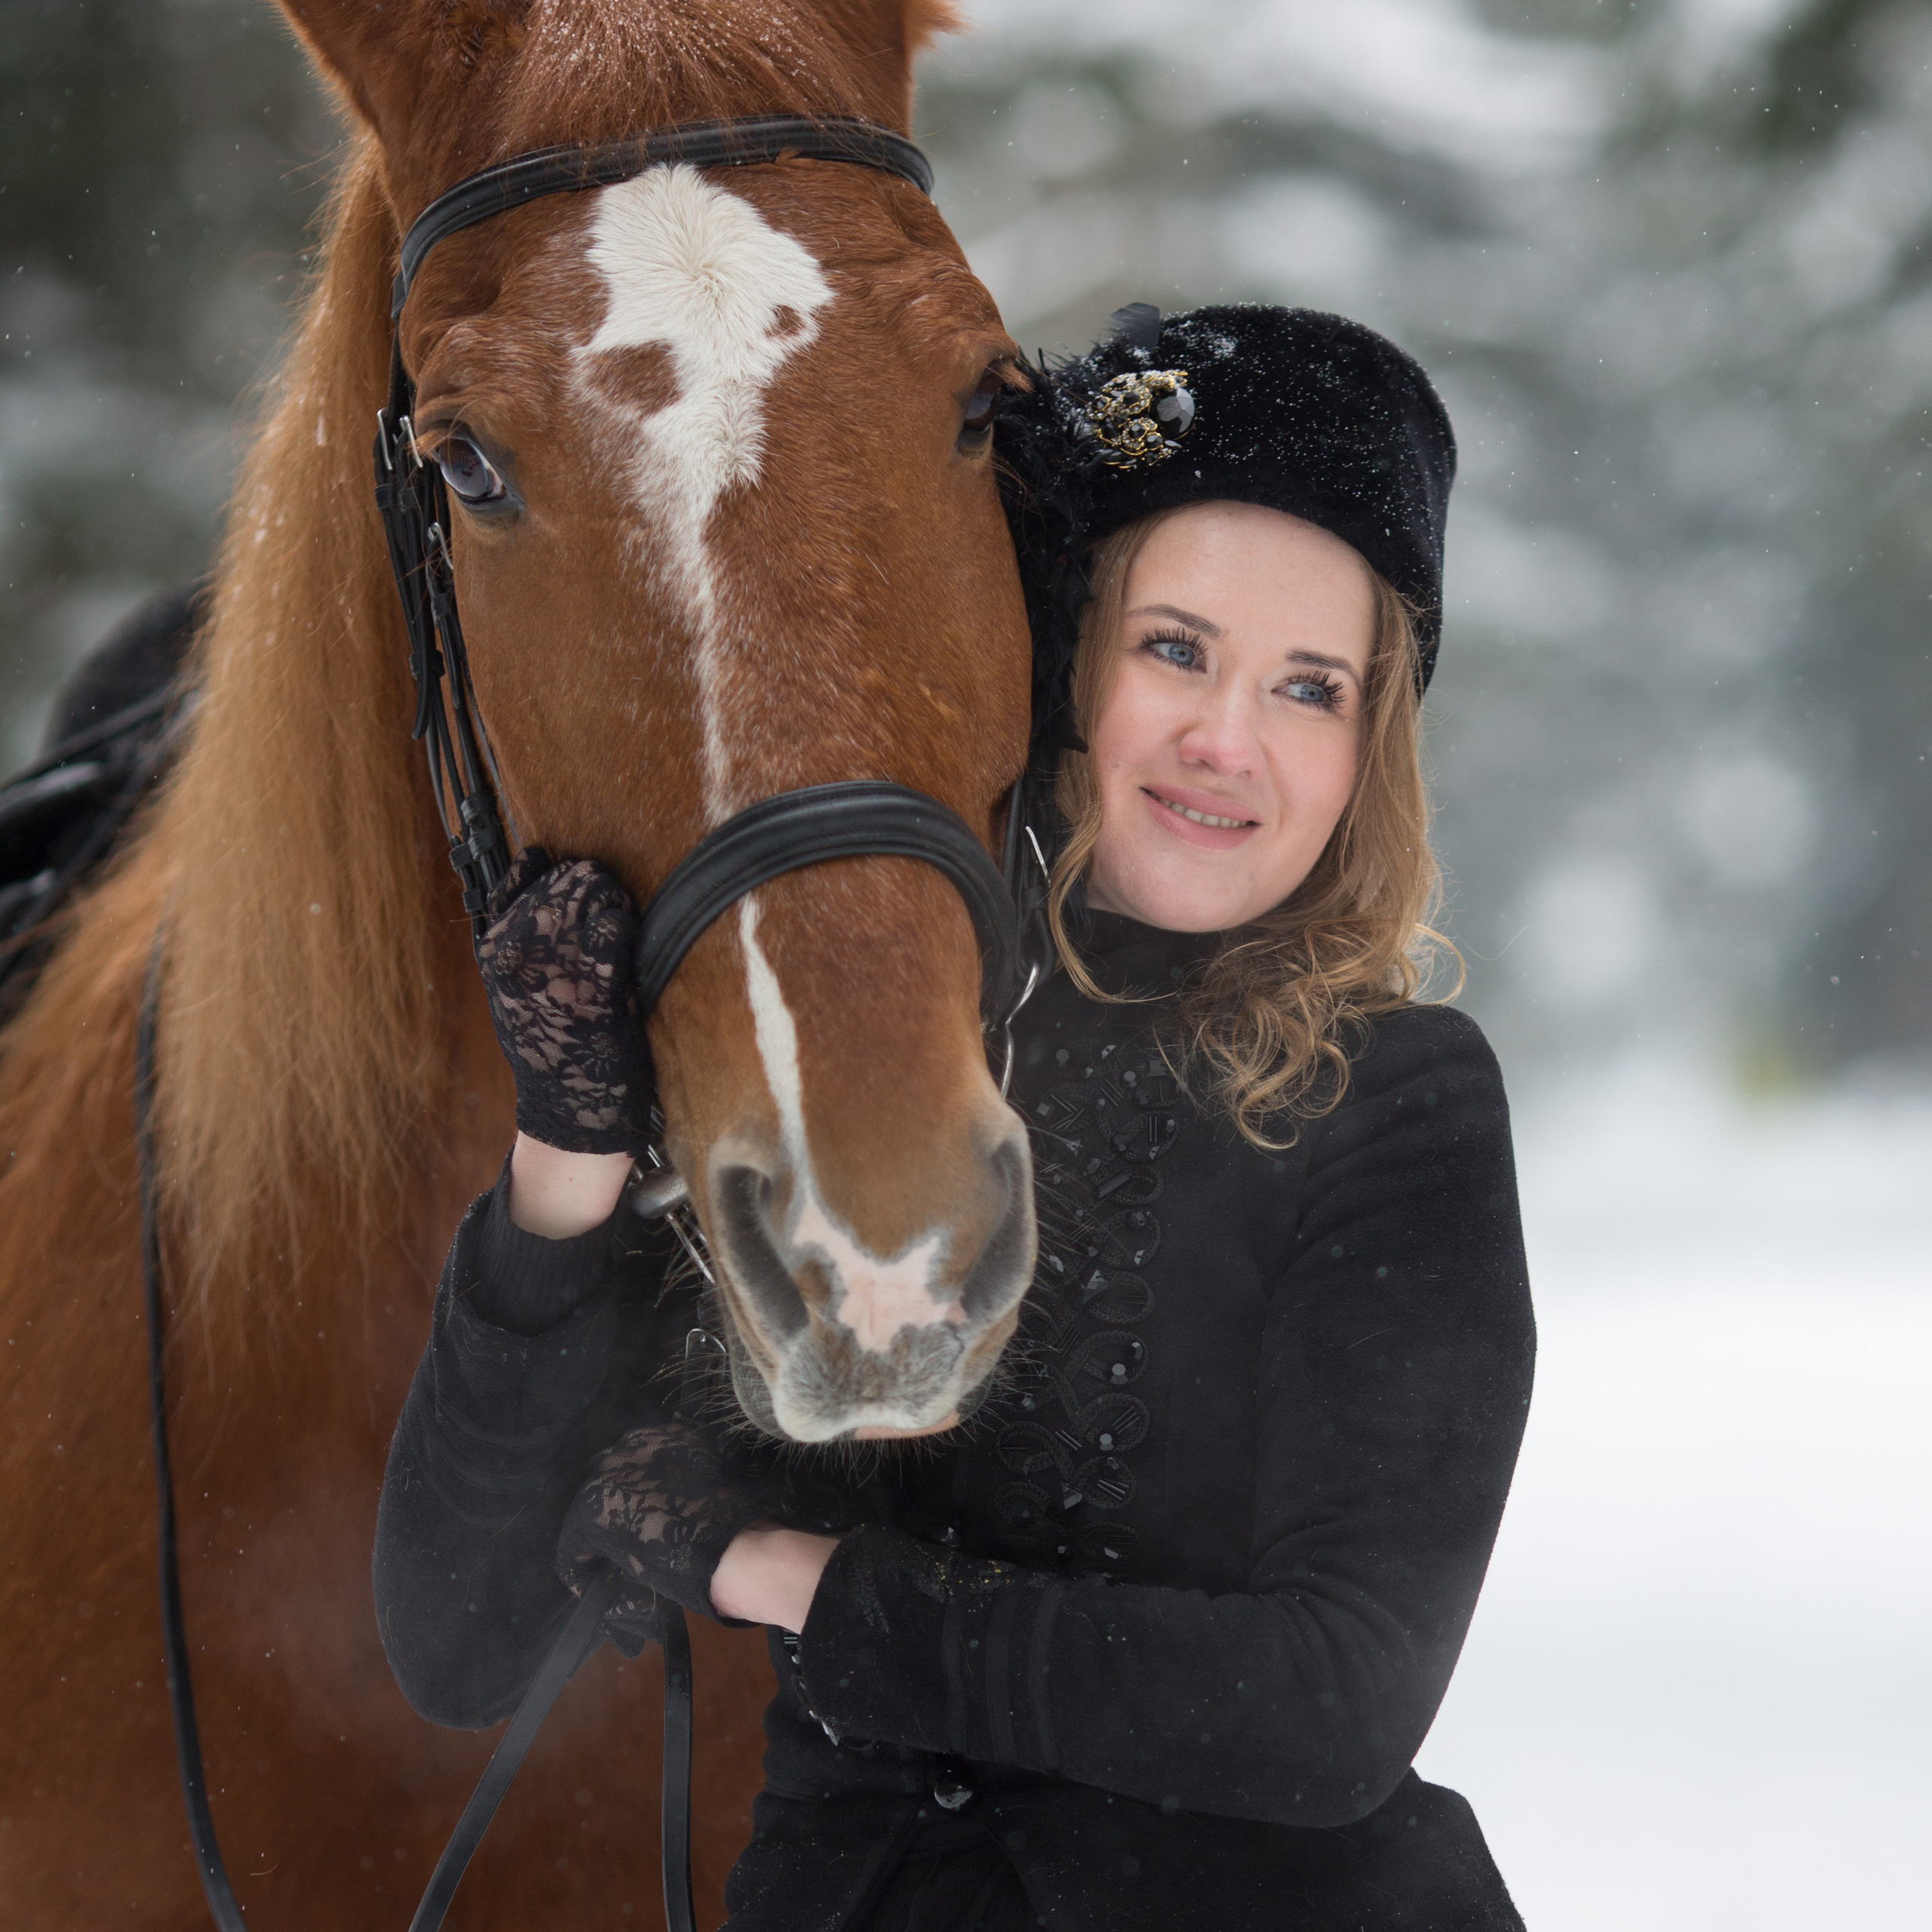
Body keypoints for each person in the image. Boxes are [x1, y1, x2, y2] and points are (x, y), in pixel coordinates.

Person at [374, 303, 1535, 1931]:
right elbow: (454, 1626)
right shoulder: (878, 1059)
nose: (1226, 739)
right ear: (1057, 656)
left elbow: (1324, 1704)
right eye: (1175, 647)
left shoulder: (1391, 1098)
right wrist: (565, 1153)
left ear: (1366, 746)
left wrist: (778, 1571)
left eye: (1308, 686)